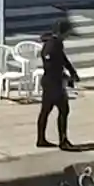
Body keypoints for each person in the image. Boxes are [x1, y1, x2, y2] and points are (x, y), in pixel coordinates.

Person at [36, 22, 81, 150]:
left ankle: (41, 139)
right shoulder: (52, 45)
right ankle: (63, 141)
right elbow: (51, 64)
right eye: (67, 33)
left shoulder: (56, 43)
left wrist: (72, 72)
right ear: (62, 32)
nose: (68, 36)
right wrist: (64, 76)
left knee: (46, 111)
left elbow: (63, 59)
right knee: (63, 110)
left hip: (51, 82)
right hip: (53, 82)